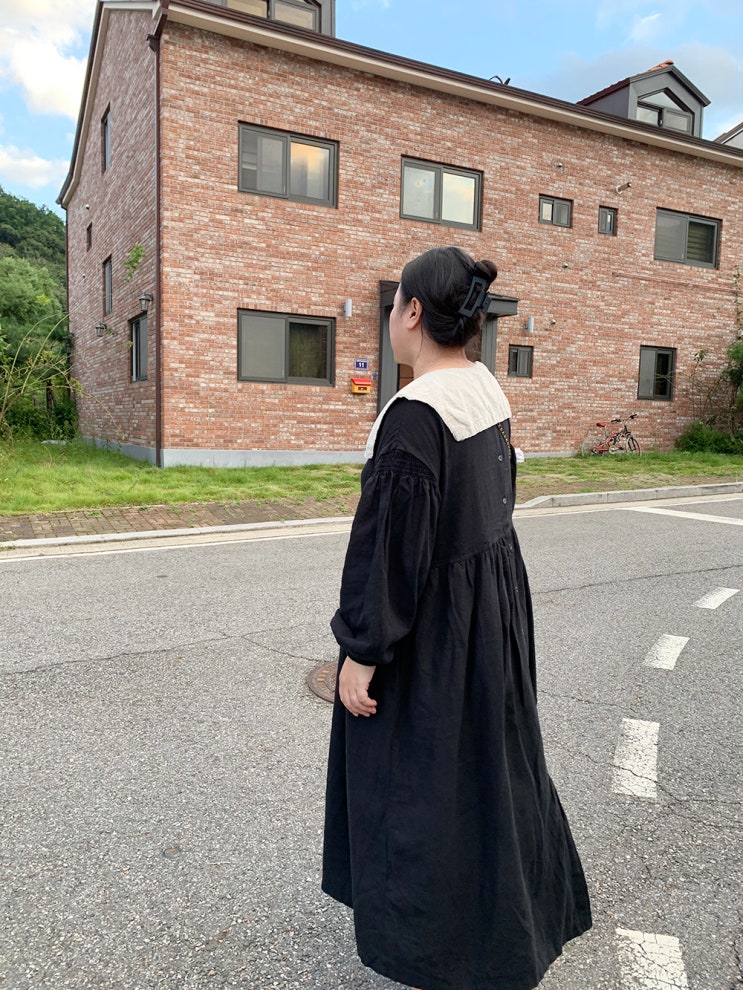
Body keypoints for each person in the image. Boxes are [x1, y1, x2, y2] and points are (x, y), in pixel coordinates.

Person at [322, 246, 592, 990]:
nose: (390, 318)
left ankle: (440, 947)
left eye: (394, 306)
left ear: (412, 312)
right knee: (488, 773)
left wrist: (362, 651)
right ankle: (501, 926)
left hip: (435, 630)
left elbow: (390, 553)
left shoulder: (415, 416)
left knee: (418, 783)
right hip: (490, 614)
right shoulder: (485, 390)